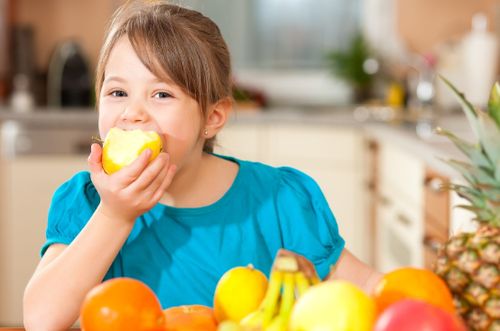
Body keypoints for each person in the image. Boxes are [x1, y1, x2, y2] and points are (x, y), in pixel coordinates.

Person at [23, 1, 382, 330]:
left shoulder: (279, 201)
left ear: (212, 116)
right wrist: (115, 215)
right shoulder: (87, 202)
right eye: (118, 93)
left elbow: (373, 292)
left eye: (161, 94)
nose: (133, 113)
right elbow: (41, 319)